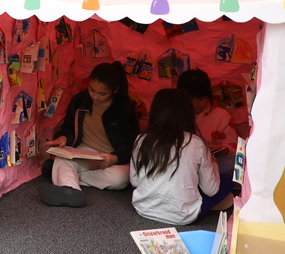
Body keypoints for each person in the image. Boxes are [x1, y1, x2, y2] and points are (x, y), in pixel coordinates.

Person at [40, 61, 140, 207]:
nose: (95, 97)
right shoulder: (79, 100)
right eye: (91, 90)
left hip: (110, 158)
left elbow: (131, 145)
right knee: (62, 159)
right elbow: (68, 127)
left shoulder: (125, 109)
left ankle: (68, 180)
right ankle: (71, 190)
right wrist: (63, 138)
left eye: (102, 94)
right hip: (83, 152)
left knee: (121, 178)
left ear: (115, 89)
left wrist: (115, 157)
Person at [130, 88, 234, 224]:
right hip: (182, 216)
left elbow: (134, 181)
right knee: (227, 180)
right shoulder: (196, 142)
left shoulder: (141, 139)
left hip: (143, 208)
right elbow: (211, 190)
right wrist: (214, 162)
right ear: (188, 113)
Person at [176, 69, 246, 184]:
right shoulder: (174, 114)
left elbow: (234, 146)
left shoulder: (221, 115)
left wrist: (224, 149)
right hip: (181, 163)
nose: (195, 104)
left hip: (211, 162)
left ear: (208, 95)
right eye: (190, 99)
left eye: (200, 99)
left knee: (231, 163)